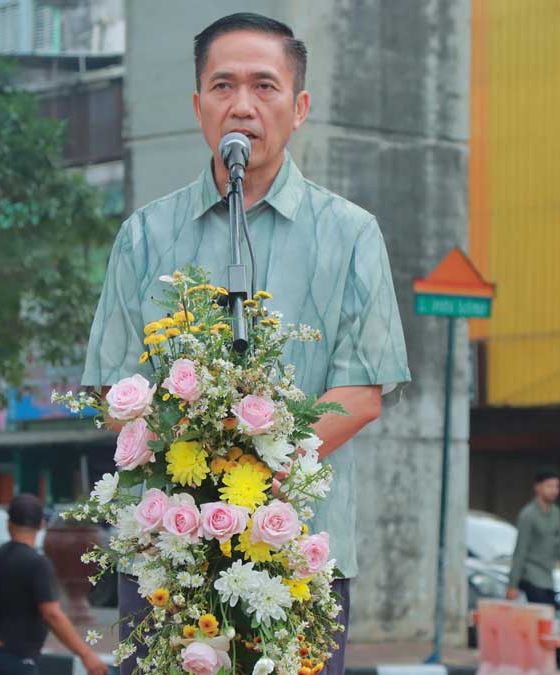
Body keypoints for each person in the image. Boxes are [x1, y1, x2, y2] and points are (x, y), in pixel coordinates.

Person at [80, 12, 411, 675]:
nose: (243, 106)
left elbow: (363, 389)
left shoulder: (351, 234)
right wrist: (188, 446)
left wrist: (260, 461)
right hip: (165, 550)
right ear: (198, 104)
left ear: (300, 107)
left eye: (265, 86)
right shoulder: (145, 236)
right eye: (223, 85)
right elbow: (111, 388)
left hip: (296, 548)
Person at [0, 494, 109, 675]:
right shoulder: (38, 564)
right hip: (20, 661)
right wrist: (86, 654)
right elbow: (52, 613)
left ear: (8, 523)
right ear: (41, 525)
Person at [506, 470, 560, 604]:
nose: (554, 490)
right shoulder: (528, 515)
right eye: (549, 486)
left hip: (548, 577)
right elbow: (520, 550)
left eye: (556, 486)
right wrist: (512, 584)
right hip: (531, 577)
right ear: (538, 487)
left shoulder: (556, 513)